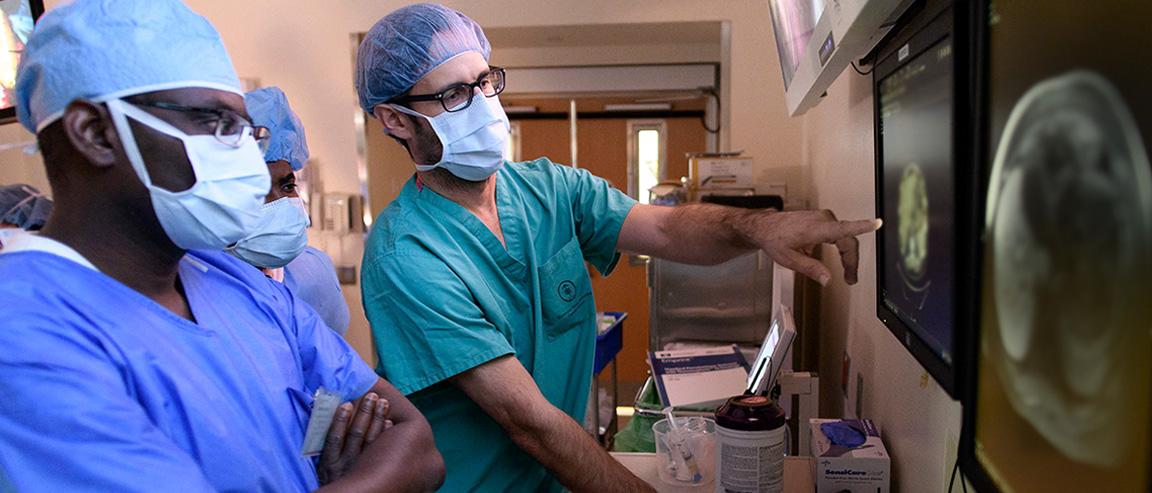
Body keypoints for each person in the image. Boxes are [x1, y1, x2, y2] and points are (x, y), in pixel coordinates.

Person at [355, 3, 880, 492]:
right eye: (454, 95)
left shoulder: (548, 189)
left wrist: (761, 228)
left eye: (485, 82)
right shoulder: (406, 255)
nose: (485, 106)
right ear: (396, 120)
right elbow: (530, 424)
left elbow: (669, 231)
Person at [0, 1, 442, 491]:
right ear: (96, 132)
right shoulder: (23, 327)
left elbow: (417, 443)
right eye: (213, 122)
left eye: (242, 129)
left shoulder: (234, 281)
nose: (250, 166)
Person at [228, 86, 352, 335]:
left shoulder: (314, 272)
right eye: (257, 189)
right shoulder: (193, 286)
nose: (279, 203)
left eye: (287, 185)